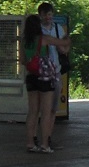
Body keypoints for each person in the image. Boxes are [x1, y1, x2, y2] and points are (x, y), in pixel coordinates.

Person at [22, 13, 70, 153]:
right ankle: (44, 144)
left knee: (33, 112)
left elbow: (23, 61)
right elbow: (63, 44)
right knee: (46, 112)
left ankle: (30, 143)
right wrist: (67, 37)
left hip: (31, 77)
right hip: (45, 78)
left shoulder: (25, 41)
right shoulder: (44, 39)